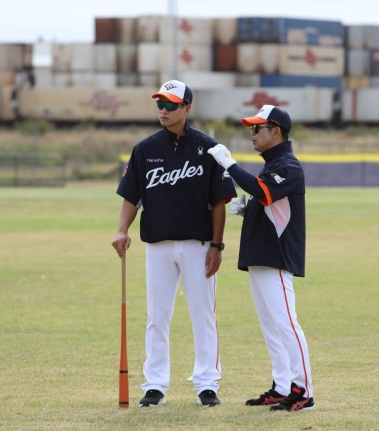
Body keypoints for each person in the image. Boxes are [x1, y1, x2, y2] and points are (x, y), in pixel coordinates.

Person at [111, 79, 236, 408]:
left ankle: (207, 384)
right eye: (160, 104)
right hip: (159, 245)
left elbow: (220, 201)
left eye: (170, 105)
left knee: (203, 315)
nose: (163, 110)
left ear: (187, 108)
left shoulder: (208, 147)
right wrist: (122, 230)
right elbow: (131, 196)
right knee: (157, 316)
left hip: (198, 245)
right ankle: (154, 385)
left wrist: (217, 246)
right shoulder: (145, 149)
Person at [207, 105, 315, 412]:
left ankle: (304, 392)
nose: (252, 134)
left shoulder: (288, 165)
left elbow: (263, 190)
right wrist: (250, 209)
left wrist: (229, 164)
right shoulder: (273, 165)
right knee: (272, 327)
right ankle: (282, 386)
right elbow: (267, 200)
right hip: (261, 257)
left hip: (276, 258)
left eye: (257, 128)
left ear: (276, 131)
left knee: (286, 324)